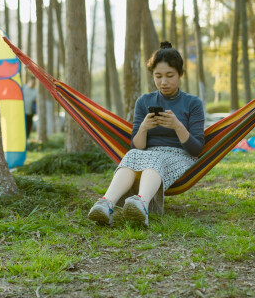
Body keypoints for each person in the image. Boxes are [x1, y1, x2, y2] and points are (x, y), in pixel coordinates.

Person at [88, 42, 205, 228]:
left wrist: (177, 126)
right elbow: (137, 147)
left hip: (180, 156)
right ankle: (106, 204)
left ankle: (141, 203)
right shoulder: (144, 101)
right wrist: (143, 128)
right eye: (158, 76)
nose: (163, 82)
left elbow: (196, 148)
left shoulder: (193, 103)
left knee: (153, 158)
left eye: (169, 76)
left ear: (180, 74)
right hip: (146, 154)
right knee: (132, 155)